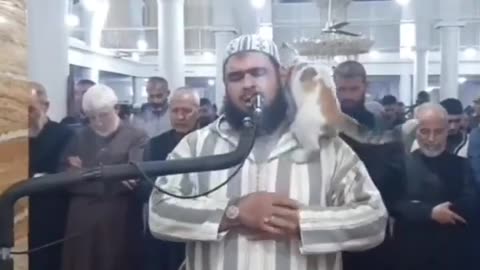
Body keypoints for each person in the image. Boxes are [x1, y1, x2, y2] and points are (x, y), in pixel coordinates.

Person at [148, 34, 387, 270]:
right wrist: (233, 213)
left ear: (280, 78)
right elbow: (158, 212)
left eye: (258, 72)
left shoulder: (326, 146)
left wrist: (305, 223)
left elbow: (374, 219)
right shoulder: (196, 146)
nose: (248, 83)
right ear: (226, 86)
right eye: (236, 77)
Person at [60, 85, 148, 270]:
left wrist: (85, 172)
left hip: (119, 219)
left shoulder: (137, 136)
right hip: (81, 222)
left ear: (117, 109)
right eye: (91, 117)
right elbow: (65, 178)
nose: (98, 122)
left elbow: (132, 179)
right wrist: (111, 175)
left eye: (103, 115)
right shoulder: (78, 136)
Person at [334, 61, 405, 270]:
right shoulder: (324, 127)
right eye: (341, 89)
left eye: (353, 89)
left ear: (366, 87)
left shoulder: (382, 127)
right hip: (333, 224)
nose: (347, 95)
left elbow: (397, 180)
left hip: (374, 222)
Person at [394, 102, 477, 270]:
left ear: (447, 131)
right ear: (415, 131)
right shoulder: (400, 166)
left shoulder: (462, 166)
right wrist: (429, 213)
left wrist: (419, 207)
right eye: (424, 131)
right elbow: (392, 204)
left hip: (452, 255)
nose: (431, 138)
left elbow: (472, 202)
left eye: (438, 132)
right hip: (410, 256)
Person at [140, 87, 200, 270]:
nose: (180, 117)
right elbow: (145, 186)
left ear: (198, 112)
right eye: (175, 111)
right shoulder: (156, 144)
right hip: (163, 226)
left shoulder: (209, 142)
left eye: (186, 111)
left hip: (196, 225)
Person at [28, 82, 73, 270]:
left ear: (45, 107)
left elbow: (65, 175)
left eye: (30, 109)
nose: (25, 115)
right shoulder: (12, 137)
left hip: (50, 219)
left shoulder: (64, 134)